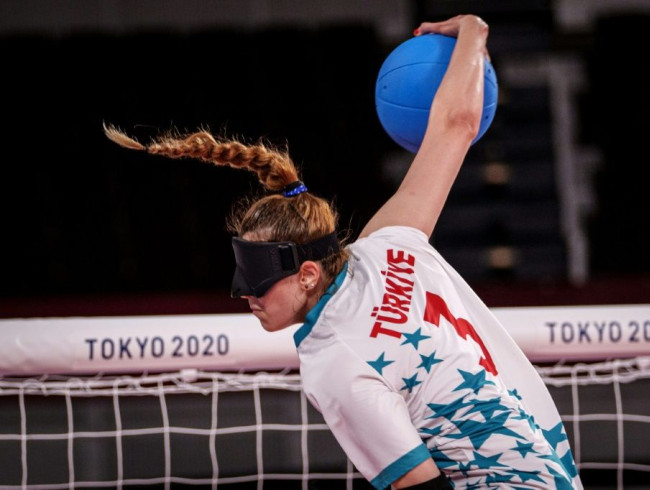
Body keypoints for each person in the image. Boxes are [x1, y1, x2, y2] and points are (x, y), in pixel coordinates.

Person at [104, 14, 582, 490]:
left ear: (308, 273)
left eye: (257, 275)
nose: (243, 292)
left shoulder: (333, 361)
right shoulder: (390, 244)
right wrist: (474, 31)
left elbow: (419, 486)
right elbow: (457, 125)